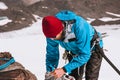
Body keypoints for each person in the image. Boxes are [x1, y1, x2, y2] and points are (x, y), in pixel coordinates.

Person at [42, 10, 103, 80]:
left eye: (54, 37)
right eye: (50, 38)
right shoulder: (51, 34)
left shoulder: (79, 26)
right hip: (73, 51)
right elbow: (52, 54)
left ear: (61, 29)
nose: (53, 39)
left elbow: (85, 55)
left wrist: (64, 70)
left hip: (93, 49)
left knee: (91, 77)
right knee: (74, 77)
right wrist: (50, 72)